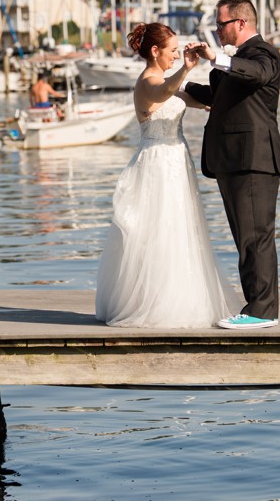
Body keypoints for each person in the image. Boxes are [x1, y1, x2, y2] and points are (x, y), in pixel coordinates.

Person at [95, 22, 236, 328]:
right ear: (155, 52)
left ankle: (184, 298)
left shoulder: (169, 81)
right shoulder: (148, 81)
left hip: (177, 161)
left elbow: (200, 101)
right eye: (172, 51)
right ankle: (153, 303)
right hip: (156, 163)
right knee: (158, 230)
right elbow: (164, 90)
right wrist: (185, 69)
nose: (175, 55)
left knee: (181, 229)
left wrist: (224, 76)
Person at [182, 0, 280, 329]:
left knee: (256, 236)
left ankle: (262, 311)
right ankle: (256, 306)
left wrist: (215, 58)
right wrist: (177, 86)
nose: (216, 29)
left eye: (220, 23)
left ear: (241, 23)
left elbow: (253, 75)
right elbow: (219, 98)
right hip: (231, 160)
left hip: (253, 158)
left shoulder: (263, 54)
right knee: (245, 238)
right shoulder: (235, 61)